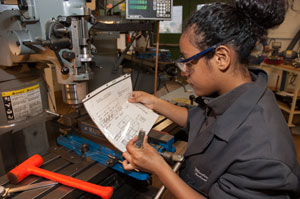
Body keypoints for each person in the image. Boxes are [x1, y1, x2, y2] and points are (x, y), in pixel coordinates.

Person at [122, 0, 300, 198]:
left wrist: (159, 167)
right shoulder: (238, 93)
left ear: (221, 58)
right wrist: (156, 103)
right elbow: (200, 122)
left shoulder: (263, 156)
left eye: (188, 62)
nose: (184, 72)